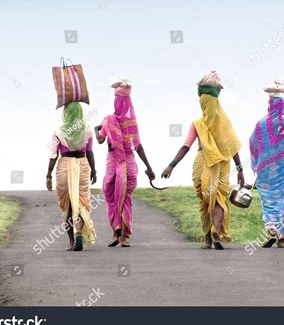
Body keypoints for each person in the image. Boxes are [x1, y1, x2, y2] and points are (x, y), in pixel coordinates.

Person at [162, 70, 244, 250]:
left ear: (202, 101)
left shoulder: (197, 123)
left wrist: (171, 165)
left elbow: (186, 146)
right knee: (218, 197)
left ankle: (209, 236)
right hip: (222, 164)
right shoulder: (225, 122)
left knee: (206, 199)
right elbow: (232, 147)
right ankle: (214, 230)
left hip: (201, 162)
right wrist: (240, 169)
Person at [95, 78, 155, 247]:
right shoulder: (130, 122)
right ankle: (122, 237)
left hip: (114, 160)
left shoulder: (107, 120)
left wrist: (96, 128)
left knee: (113, 196)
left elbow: (100, 140)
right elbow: (138, 146)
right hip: (128, 161)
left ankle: (116, 232)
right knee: (123, 196)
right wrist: (149, 168)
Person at [249, 79, 284, 248]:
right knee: (283, 201)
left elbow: (253, 144)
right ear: (283, 106)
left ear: (269, 105)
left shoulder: (260, 126)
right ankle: (282, 238)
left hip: (265, 172)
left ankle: (272, 227)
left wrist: (262, 158)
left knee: (269, 201)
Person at [46, 101, 97, 252]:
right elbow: (89, 152)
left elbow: (53, 155)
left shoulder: (58, 131)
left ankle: (71, 241)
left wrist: (48, 174)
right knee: (81, 201)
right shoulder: (87, 130)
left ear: (65, 113)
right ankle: (79, 231)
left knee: (67, 204)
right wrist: (94, 170)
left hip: (64, 165)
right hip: (82, 164)